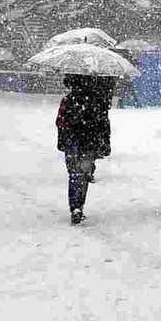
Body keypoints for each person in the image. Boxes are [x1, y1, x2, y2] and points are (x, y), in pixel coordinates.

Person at [56, 75, 113, 225]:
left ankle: (74, 206)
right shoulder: (98, 100)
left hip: (72, 141)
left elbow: (60, 122)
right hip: (90, 141)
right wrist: (105, 143)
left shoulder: (68, 100)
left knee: (74, 174)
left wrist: (62, 139)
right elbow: (104, 123)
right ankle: (79, 205)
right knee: (84, 174)